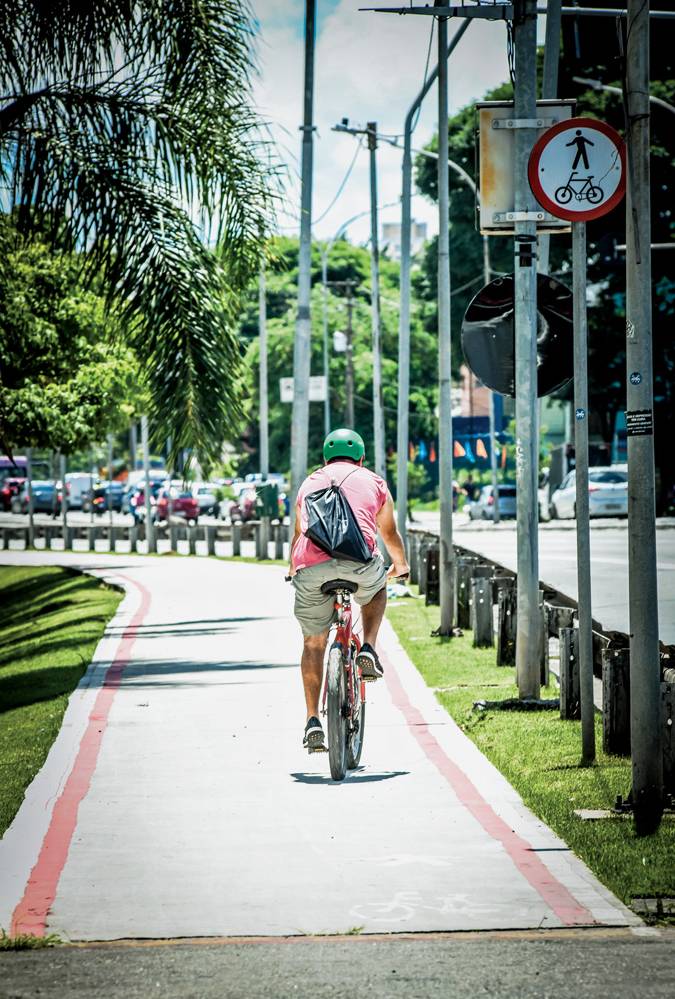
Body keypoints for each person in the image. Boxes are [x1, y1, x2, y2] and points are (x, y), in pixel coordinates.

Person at [289, 429, 409, 753]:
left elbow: (300, 533)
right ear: (361, 458)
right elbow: (389, 533)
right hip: (359, 565)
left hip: (311, 569)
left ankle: (313, 719)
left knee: (313, 643)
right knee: (376, 588)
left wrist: (292, 570)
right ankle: (368, 648)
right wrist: (401, 565)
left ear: (326, 459)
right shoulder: (375, 482)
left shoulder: (310, 483)